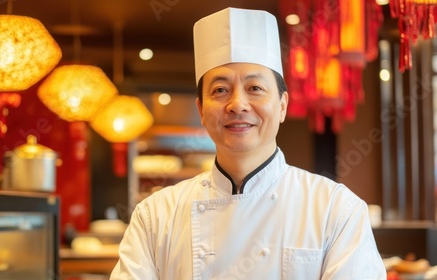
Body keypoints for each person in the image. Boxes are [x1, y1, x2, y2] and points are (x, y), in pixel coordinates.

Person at [110, 7, 386, 280]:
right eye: (220, 90)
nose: (237, 104)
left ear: (282, 105)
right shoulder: (155, 215)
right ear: (201, 111)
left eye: (255, 88)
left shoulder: (336, 209)